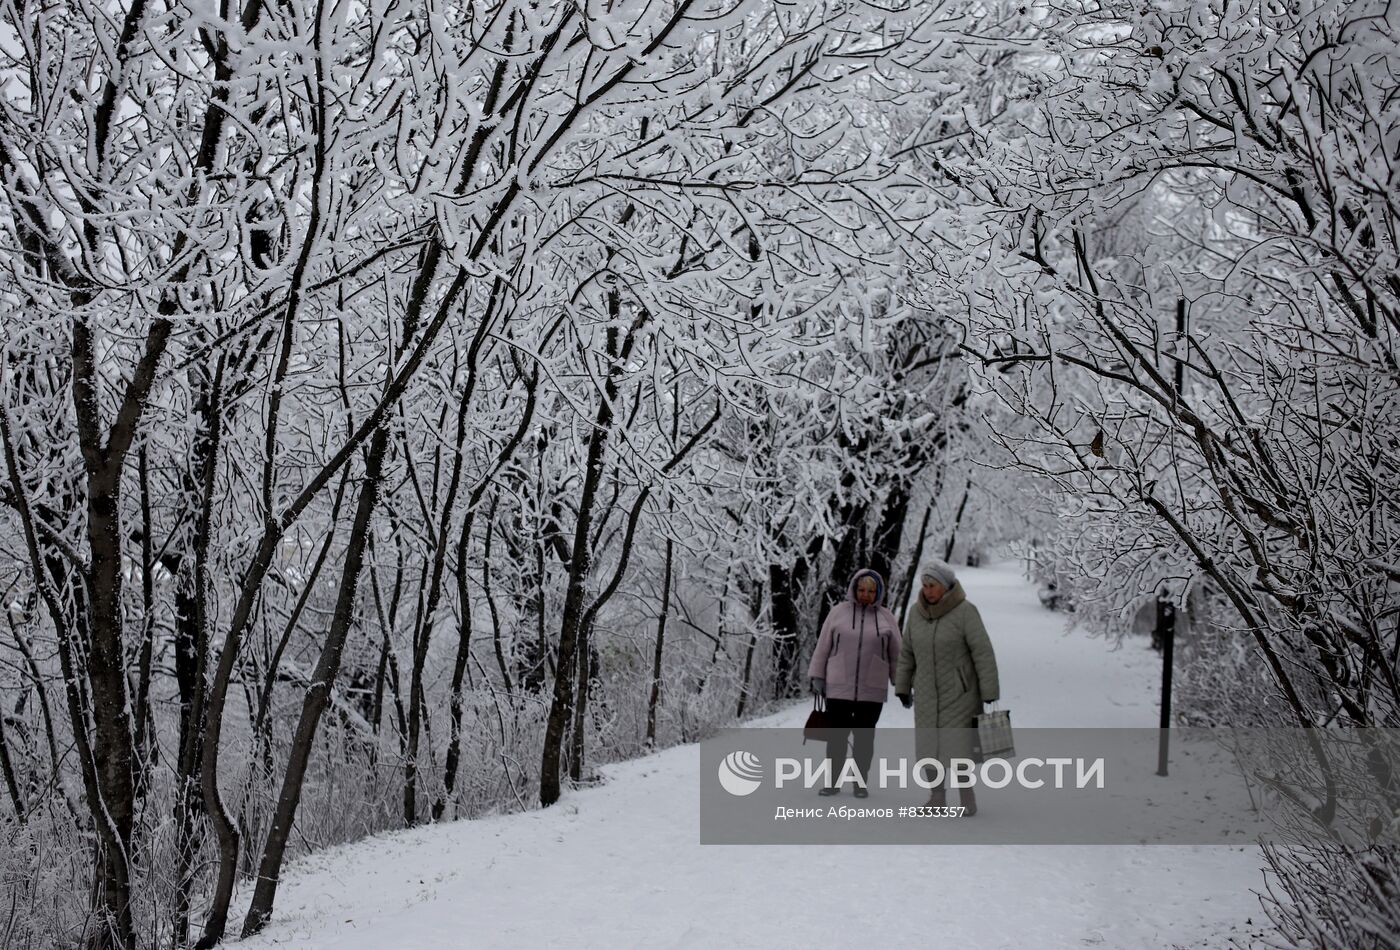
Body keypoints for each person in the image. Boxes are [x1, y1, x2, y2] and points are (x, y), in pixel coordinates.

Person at [895, 560, 1000, 816]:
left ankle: (967, 796)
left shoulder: (965, 612)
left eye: (933, 585)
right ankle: (937, 797)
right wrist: (902, 686)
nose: (928, 591)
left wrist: (989, 692)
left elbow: (982, 652)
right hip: (927, 693)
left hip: (960, 693)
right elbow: (907, 652)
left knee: (959, 747)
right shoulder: (915, 613)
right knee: (929, 746)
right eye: (925, 585)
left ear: (946, 586)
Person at [807, 568, 901, 798]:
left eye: (870, 591)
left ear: (878, 592)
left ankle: (860, 783)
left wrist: (902, 685)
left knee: (864, 738)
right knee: (837, 737)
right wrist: (818, 676)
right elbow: (823, 646)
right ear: (854, 589)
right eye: (861, 589)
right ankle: (832, 782)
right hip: (838, 686)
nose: (865, 595)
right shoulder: (838, 613)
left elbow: (897, 654)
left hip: (872, 689)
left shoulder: (886, 617)